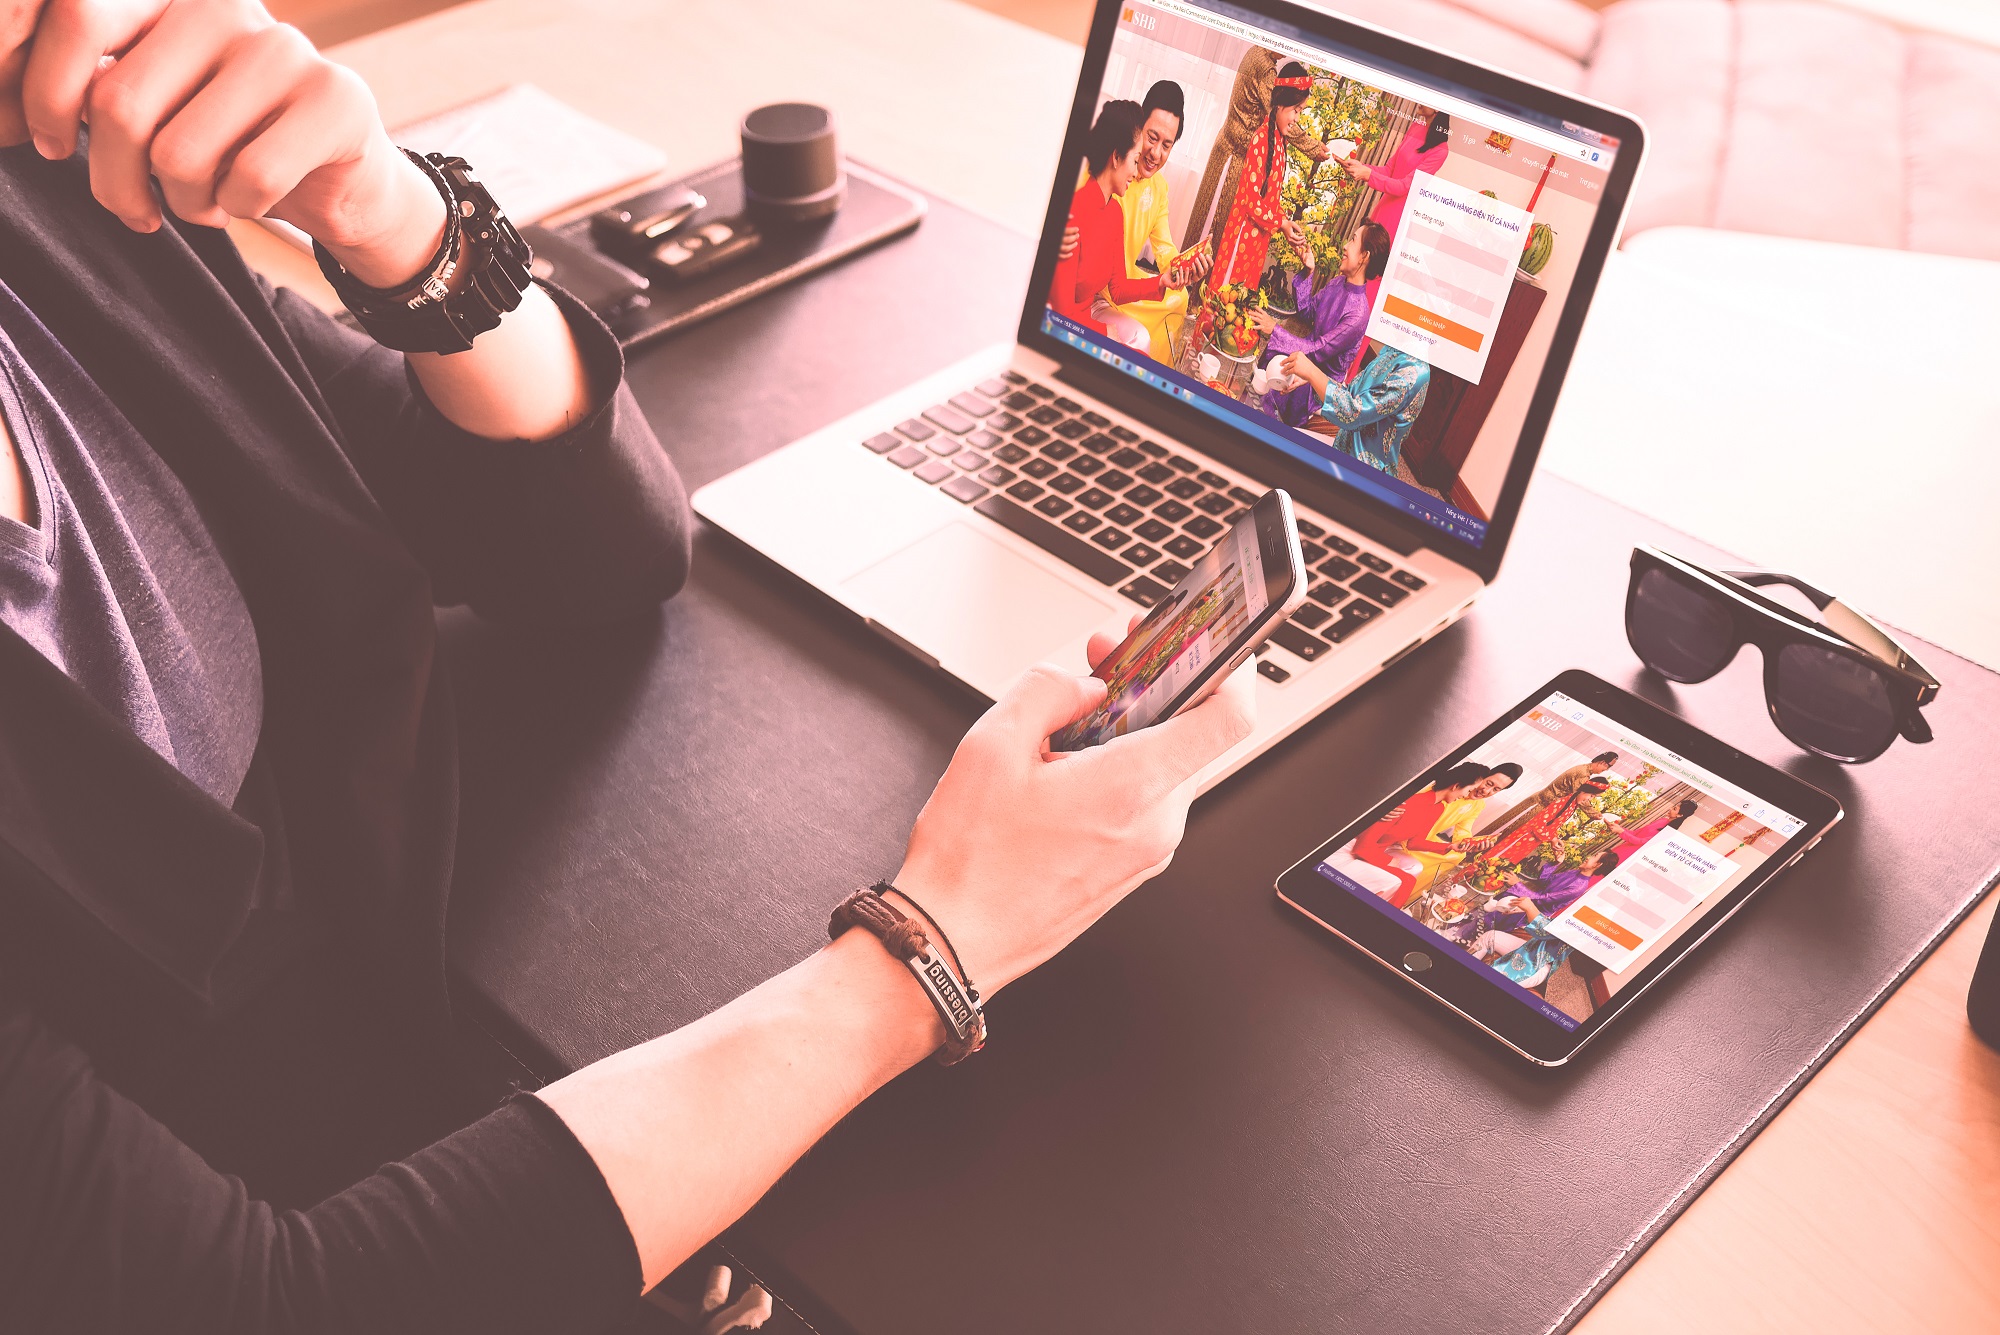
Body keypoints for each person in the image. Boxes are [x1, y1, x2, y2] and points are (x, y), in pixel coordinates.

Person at [0, 3, 1259, 1331]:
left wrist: (394, 215)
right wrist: (935, 945)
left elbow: (592, 553)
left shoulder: (60, 208)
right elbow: (266, 1303)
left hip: (405, 1063)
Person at [1047, 98, 1200, 352]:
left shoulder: (1114, 210)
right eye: (1135, 159)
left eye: (1167, 145)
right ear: (1117, 157)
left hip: (1093, 311)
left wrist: (1162, 281)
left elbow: (1117, 288)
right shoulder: (1074, 213)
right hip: (1063, 326)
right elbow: (1060, 315)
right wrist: (1104, 332)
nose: (1137, 168)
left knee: (1142, 343)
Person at [1181, 46, 1327, 255]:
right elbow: (1278, 108)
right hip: (1236, 158)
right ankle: (1193, 277)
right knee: (1214, 231)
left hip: (1225, 146)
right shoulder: (1265, 68)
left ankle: (1183, 273)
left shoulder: (1255, 52)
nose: (1287, 52)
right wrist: (1312, 147)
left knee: (1202, 223)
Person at [1250, 220, 1389, 427]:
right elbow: (1307, 312)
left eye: (1353, 240)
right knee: (1267, 370)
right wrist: (1309, 271)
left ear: (1364, 256)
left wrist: (1275, 330)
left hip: (1318, 384)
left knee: (1275, 378)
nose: (1345, 246)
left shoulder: (1358, 314)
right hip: (1305, 357)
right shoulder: (1338, 283)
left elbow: (1317, 351)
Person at [1212, 62, 1315, 291]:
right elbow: (1251, 201)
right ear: (1280, 102)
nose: (1297, 118)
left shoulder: (1279, 142)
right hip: (1242, 237)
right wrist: (1281, 223)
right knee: (1226, 299)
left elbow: (1270, 201)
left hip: (1257, 240)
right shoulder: (1261, 139)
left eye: (1301, 112)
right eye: (1296, 110)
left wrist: (1286, 224)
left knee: (1242, 301)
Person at [1470, 850, 1622, 987]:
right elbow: (1545, 883)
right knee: (1489, 936)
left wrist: (1525, 901)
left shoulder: (1586, 904)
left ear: (1598, 865)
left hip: (1537, 966)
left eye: (1594, 856)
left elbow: (1545, 930)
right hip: (1531, 949)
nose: (1589, 856)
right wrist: (1556, 863)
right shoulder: (1578, 888)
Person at [1281, 337, 1430, 475]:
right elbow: (1354, 395)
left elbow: (1353, 413)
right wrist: (1314, 380)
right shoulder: (1399, 348)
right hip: (1344, 445)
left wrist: (1312, 373)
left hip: (1362, 470)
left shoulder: (1412, 373)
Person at [1335, 105, 1450, 247]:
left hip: (1397, 216)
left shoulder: (1441, 151)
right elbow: (1389, 170)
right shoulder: (1416, 126)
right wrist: (1361, 167)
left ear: (1438, 108)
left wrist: (1368, 175)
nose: (1420, 102)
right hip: (1384, 205)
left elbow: (1404, 187)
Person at [1602, 797, 1700, 856]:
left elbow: (1640, 842)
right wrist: (1617, 827)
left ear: (1680, 815)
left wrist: (1620, 831)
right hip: (1624, 847)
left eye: (1674, 809)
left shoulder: (1668, 832)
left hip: (1628, 854)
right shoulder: (1663, 820)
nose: (1670, 809)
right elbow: (1635, 834)